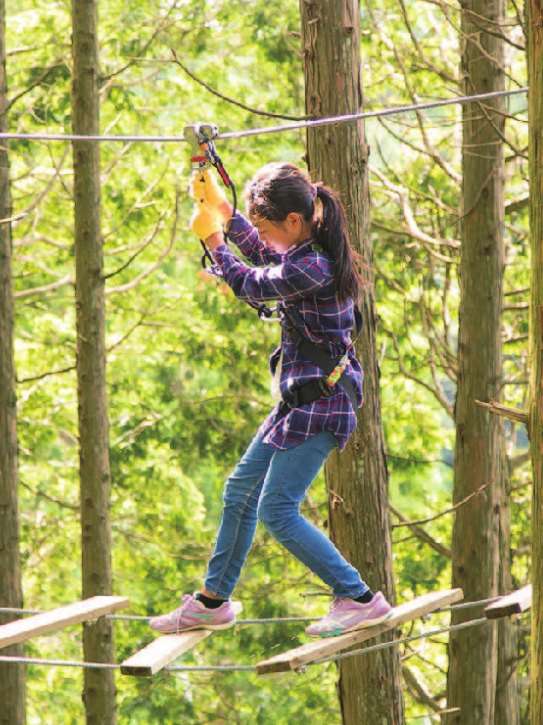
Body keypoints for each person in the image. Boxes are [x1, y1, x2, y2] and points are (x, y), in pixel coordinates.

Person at [149, 161, 392, 638]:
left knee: (277, 509)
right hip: (298, 404)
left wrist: (215, 243)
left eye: (266, 225)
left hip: (320, 405)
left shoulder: (314, 266)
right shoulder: (305, 251)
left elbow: (253, 281)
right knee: (240, 491)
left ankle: (359, 597)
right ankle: (212, 601)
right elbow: (264, 251)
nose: (262, 236)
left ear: (294, 222)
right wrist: (222, 209)